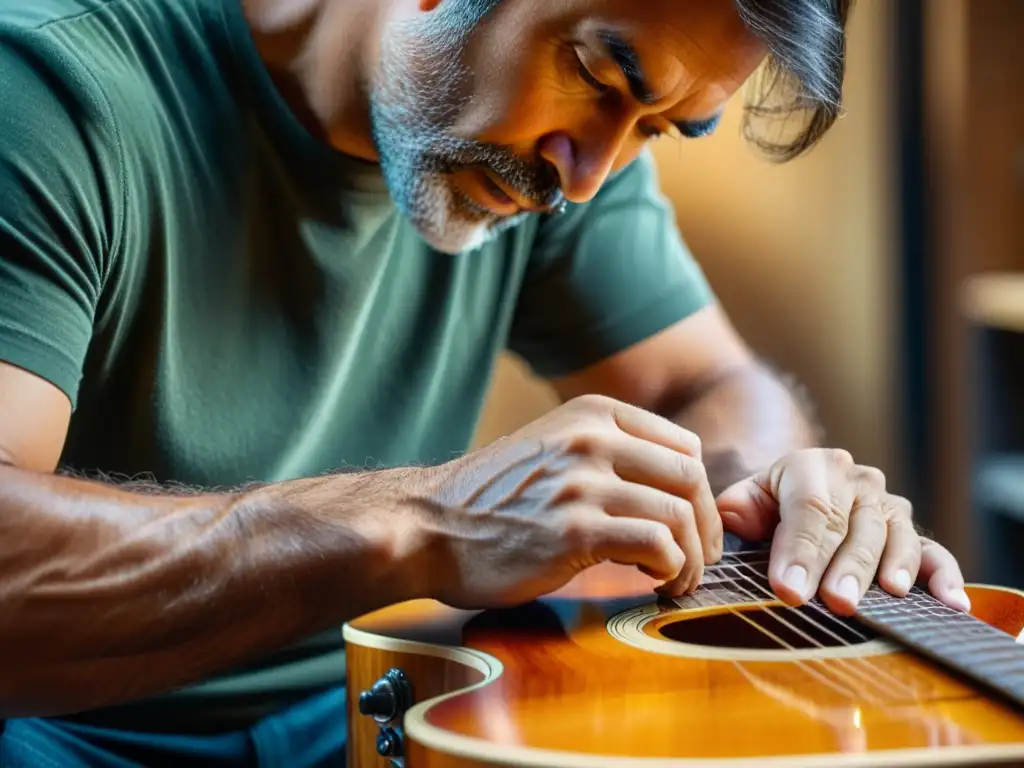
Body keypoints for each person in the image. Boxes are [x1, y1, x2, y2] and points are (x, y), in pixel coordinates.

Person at [0, 0, 969, 764]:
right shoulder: (49, 87)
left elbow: (711, 384)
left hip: (369, 703)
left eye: (662, 127)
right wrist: (421, 522)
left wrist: (762, 500)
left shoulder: (564, 157)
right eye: (595, 72)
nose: (591, 174)